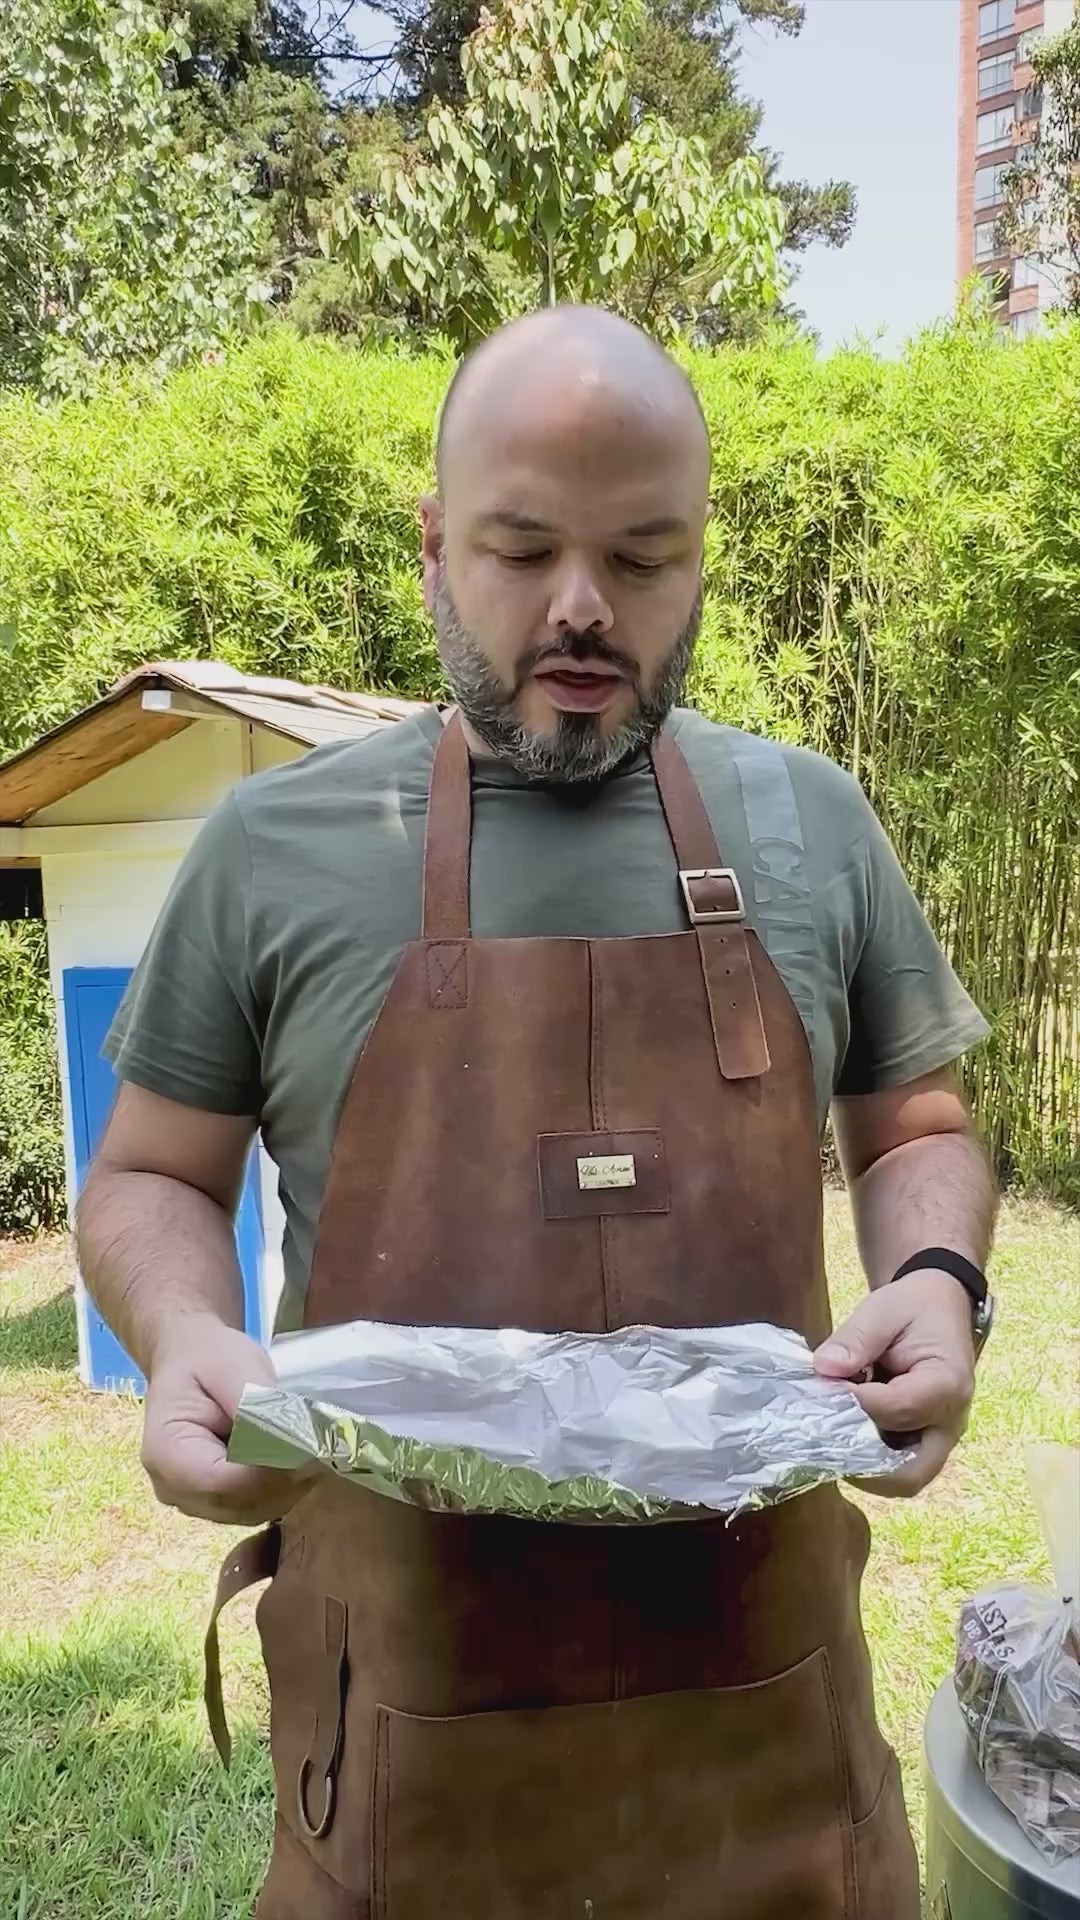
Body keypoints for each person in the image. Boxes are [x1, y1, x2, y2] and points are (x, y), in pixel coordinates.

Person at [78, 304, 997, 1920]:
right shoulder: (276, 847)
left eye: (643, 559)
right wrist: (179, 1340)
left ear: (703, 558)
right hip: (408, 1775)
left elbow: (917, 1124)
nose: (582, 608)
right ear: (435, 545)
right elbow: (150, 1176)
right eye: (520, 550)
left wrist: (936, 1280)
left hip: (774, 1776)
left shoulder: (812, 823)